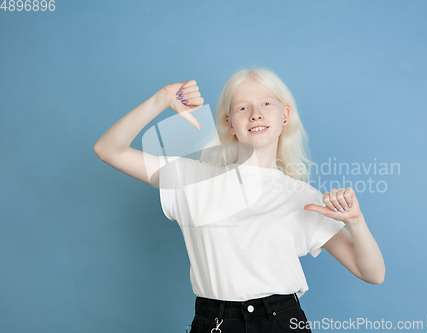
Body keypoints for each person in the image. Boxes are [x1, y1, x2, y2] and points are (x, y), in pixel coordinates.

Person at [94, 68, 385, 333]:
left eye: (266, 104)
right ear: (229, 123)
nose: (255, 114)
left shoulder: (303, 197)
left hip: (282, 322)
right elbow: (109, 149)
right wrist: (163, 98)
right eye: (243, 107)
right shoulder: (191, 178)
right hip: (214, 322)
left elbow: (372, 274)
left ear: (285, 115)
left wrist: (355, 222)